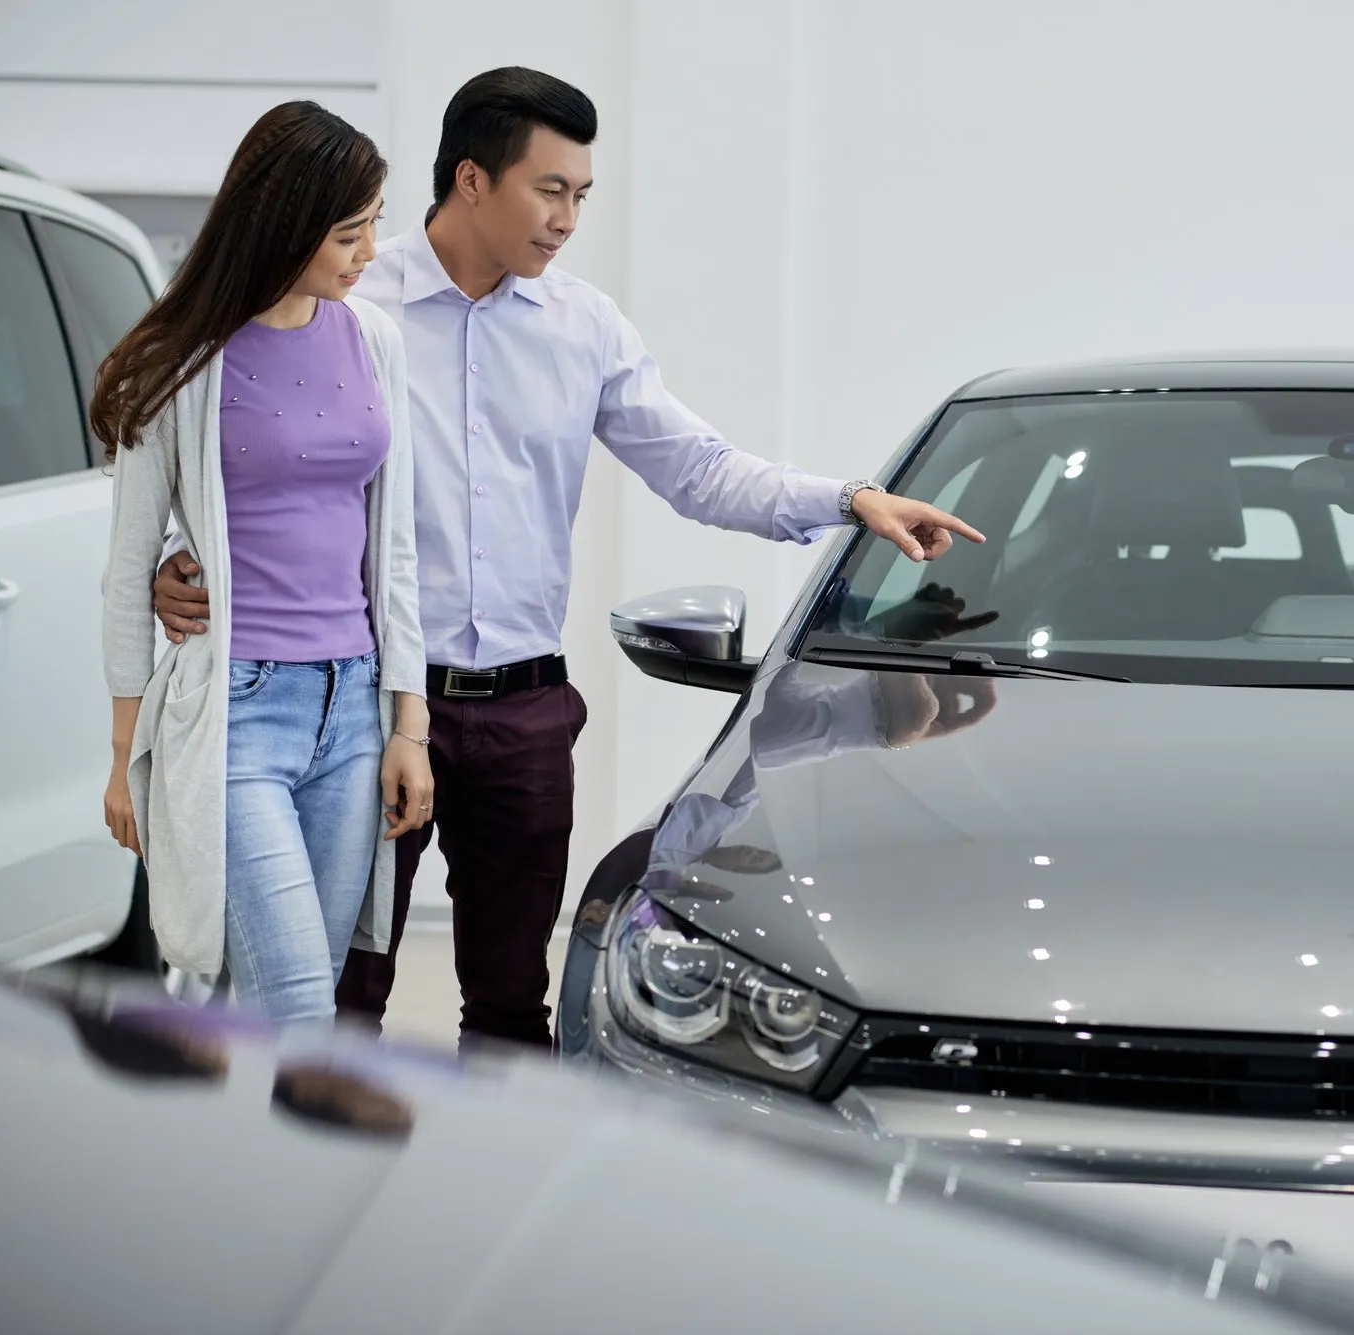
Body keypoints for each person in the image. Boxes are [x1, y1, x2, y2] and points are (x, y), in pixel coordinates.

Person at [152, 68, 978, 1049]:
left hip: (523, 714)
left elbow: (699, 470)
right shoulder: (346, 308)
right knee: (341, 996)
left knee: (510, 1008)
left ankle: (494, 1198)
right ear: (472, 179)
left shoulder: (583, 329)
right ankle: (328, 1185)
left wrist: (846, 500)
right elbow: (241, 457)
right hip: (375, 706)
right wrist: (180, 556)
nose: (567, 219)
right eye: (551, 191)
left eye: (581, 196)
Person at [98, 102, 434, 1028]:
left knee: (301, 1003)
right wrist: (125, 755)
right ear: (284, 225)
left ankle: (248, 1169)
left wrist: (411, 722)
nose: (369, 250)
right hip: (237, 714)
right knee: (293, 1009)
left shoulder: (375, 342)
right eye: (349, 231)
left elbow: (394, 550)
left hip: (353, 709)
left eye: (373, 223)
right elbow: (130, 576)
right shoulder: (180, 364)